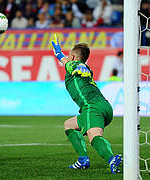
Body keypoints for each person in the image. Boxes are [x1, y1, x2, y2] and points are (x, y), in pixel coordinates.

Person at [51, 35, 122, 174]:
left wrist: (77, 65)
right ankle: (83, 159)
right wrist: (58, 52)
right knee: (69, 125)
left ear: (72, 57)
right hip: (103, 106)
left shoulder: (76, 65)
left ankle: (111, 158)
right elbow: (64, 60)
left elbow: (73, 64)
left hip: (92, 107)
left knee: (93, 135)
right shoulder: (78, 65)